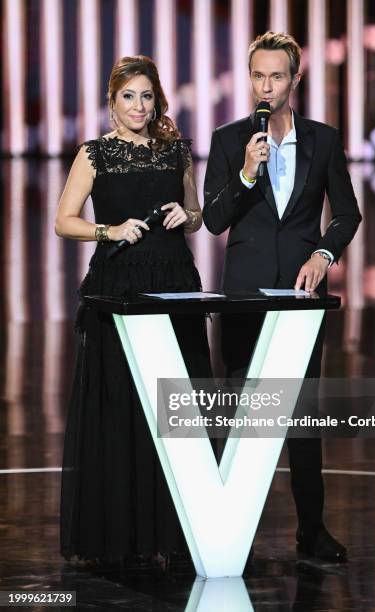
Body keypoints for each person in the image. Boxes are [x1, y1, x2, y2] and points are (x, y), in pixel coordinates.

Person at [203, 32, 362, 562]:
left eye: (276, 76)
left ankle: (310, 530)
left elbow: (346, 213)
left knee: (301, 417)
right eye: (257, 76)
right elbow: (216, 220)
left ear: (295, 80)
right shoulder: (229, 140)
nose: (265, 87)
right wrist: (248, 172)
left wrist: (324, 255)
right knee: (241, 415)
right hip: (244, 298)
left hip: (299, 298)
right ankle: (227, 534)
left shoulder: (324, 139)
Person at [56, 55, 211, 567]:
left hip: (173, 282)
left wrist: (185, 213)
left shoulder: (176, 152)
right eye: (129, 96)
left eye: (147, 96)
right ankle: (118, 534)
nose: (139, 106)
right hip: (118, 285)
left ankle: (175, 530)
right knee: (121, 402)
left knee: (176, 406)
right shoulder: (95, 154)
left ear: (157, 99)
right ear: (112, 101)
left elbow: (195, 217)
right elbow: (64, 221)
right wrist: (110, 230)